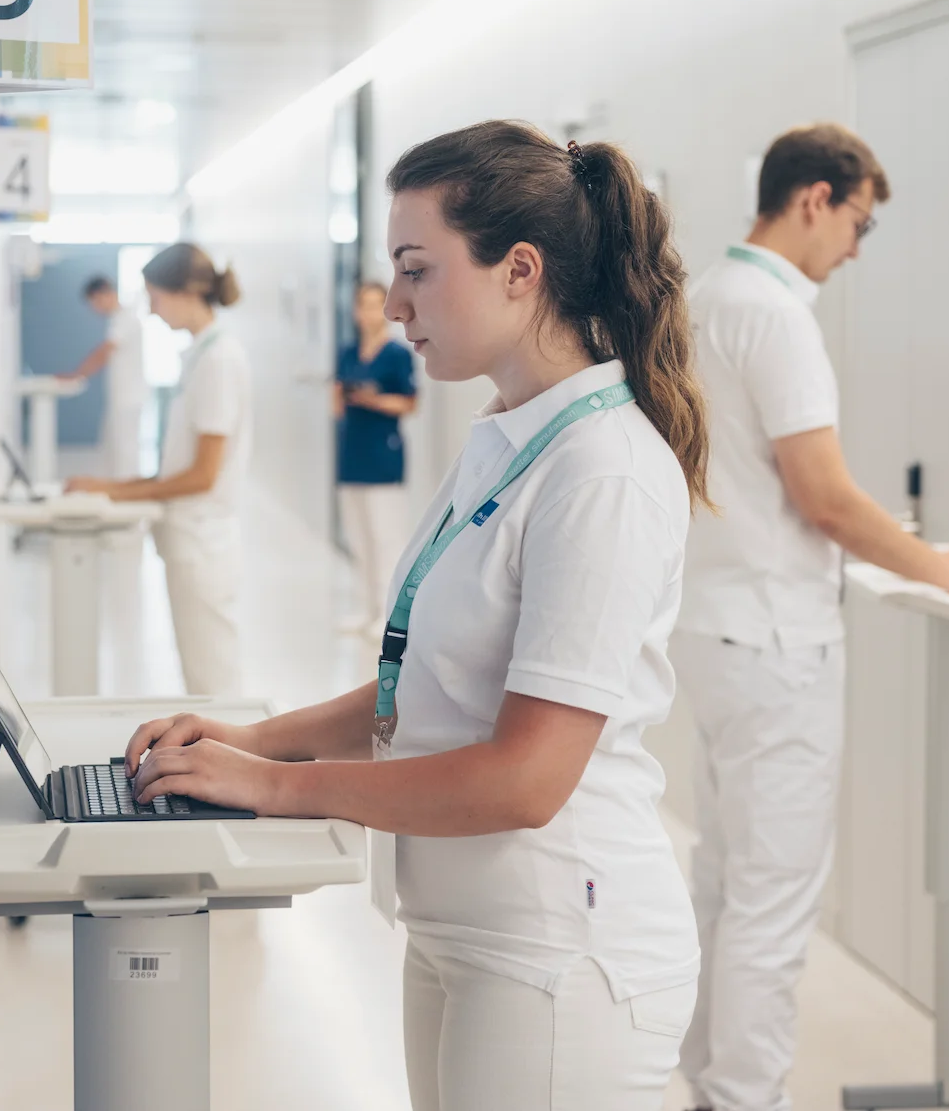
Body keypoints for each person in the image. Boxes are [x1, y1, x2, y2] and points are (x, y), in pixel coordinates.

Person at [117, 121, 710, 1110]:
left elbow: (526, 779)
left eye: (417, 270)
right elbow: (428, 677)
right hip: (460, 924)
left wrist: (275, 787)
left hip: (561, 951)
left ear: (520, 271)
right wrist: (261, 740)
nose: (392, 304)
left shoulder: (602, 474)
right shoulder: (506, 435)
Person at [673, 123, 949, 1111]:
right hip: (778, 644)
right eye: (858, 223)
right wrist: (940, 570)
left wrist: (914, 552)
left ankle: (708, 1085)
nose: (857, 250)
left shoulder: (700, 300)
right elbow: (822, 499)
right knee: (773, 902)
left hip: (708, 627)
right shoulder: (777, 315)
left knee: (722, 879)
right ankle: (746, 1099)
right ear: (814, 198)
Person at [66, 244, 250, 697]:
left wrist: (115, 494)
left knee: (213, 684)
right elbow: (179, 466)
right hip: (187, 537)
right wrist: (107, 486)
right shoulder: (200, 355)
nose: (150, 309)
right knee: (200, 676)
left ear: (186, 291)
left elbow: (202, 476)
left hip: (202, 541)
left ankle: (227, 767)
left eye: (155, 296)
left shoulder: (219, 360)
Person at [333, 281, 418, 635]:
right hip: (351, 454)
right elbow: (336, 402)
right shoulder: (348, 353)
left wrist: (374, 400)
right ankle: (366, 609)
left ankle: (388, 616)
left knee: (385, 539)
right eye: (361, 305)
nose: (366, 313)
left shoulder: (397, 355)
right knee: (358, 537)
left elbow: (410, 403)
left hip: (383, 455)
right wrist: (342, 397)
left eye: (373, 305)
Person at [57, 274, 150, 479]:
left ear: (103, 294)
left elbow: (105, 352)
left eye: (94, 303)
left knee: (125, 453)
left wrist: (77, 374)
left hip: (129, 397)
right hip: (122, 398)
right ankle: (115, 494)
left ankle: (126, 499)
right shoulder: (119, 319)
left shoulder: (125, 318)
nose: (95, 309)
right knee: (113, 450)